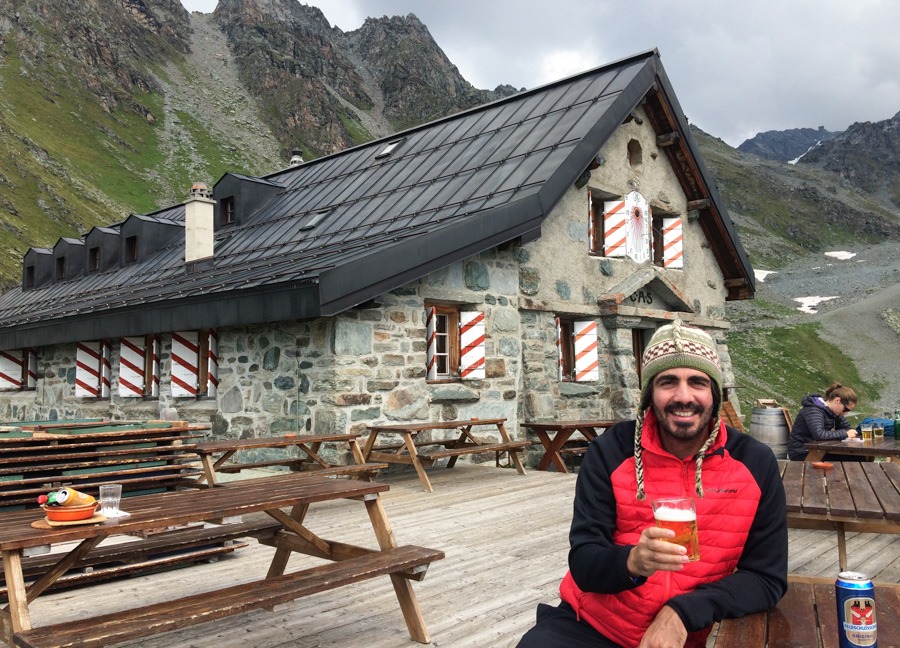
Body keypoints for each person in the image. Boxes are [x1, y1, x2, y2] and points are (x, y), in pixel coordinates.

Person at [517, 320, 788, 648]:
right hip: (598, 626)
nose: (683, 396)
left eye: (698, 382)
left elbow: (767, 578)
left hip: (697, 632)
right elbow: (584, 560)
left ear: (715, 393)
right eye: (668, 382)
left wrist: (682, 612)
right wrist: (631, 562)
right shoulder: (610, 451)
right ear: (650, 394)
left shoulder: (754, 463)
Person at [787, 383, 859, 461]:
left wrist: (849, 432)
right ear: (837, 400)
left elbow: (847, 428)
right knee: (855, 459)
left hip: (818, 450)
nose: (845, 413)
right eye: (846, 409)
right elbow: (819, 434)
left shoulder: (834, 411)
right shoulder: (813, 410)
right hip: (802, 452)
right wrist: (845, 434)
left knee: (859, 457)